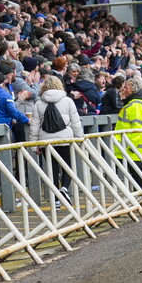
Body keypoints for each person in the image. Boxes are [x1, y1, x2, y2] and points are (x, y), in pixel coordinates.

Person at [29, 75, 83, 203]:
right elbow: (76, 122)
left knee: (52, 169)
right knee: (68, 166)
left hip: (46, 141)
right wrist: (79, 139)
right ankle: (64, 188)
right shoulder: (68, 101)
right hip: (66, 139)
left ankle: (56, 200)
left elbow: (34, 125)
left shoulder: (38, 103)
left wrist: (34, 145)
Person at [114, 76, 142, 189]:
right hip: (135, 149)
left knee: (137, 177)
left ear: (133, 90)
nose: (123, 89)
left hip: (133, 149)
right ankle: (141, 196)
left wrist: (130, 146)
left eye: (126, 87)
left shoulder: (135, 105)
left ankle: (141, 196)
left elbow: (137, 128)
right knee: (137, 176)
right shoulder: (135, 104)